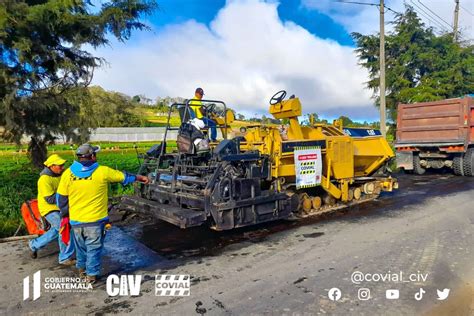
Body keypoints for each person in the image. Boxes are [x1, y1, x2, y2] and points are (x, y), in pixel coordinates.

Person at [56, 144, 150, 284]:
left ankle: (82, 269)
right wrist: (140, 178)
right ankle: (91, 275)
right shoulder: (102, 171)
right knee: (94, 249)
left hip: (76, 221)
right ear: (92, 156)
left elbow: (61, 199)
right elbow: (123, 177)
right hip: (95, 220)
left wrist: (66, 214)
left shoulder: (67, 174)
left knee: (81, 248)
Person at [28, 154, 75, 265]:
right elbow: (50, 199)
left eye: (63, 165)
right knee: (64, 229)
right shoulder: (44, 179)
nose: (62, 167)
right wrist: (67, 195)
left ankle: (34, 245)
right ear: (52, 166)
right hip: (49, 209)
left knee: (56, 230)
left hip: (60, 207)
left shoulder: (59, 175)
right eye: (60, 165)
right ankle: (64, 257)